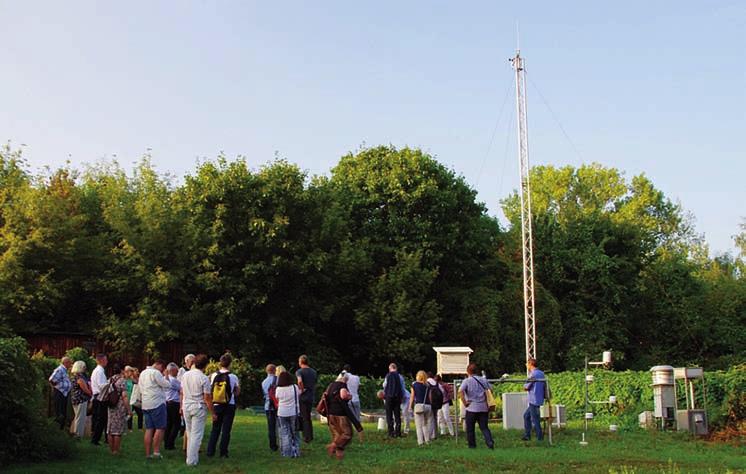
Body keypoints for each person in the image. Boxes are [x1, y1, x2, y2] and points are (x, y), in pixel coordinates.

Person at [180, 354, 215, 466]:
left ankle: (190, 457)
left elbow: (182, 391)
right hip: (198, 407)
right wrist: (213, 412)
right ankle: (191, 460)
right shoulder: (203, 378)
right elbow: (207, 398)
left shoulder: (185, 375)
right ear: (205, 365)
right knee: (196, 435)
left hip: (186, 405)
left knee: (190, 432)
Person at [207, 353, 240, 458]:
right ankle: (223, 452)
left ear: (220, 363)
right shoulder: (233, 376)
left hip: (216, 404)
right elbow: (237, 392)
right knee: (226, 430)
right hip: (229, 404)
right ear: (230, 364)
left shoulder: (213, 375)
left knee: (215, 429)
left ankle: (210, 451)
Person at [139, 359, 171, 459]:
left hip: (146, 403)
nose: (162, 370)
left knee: (149, 429)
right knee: (160, 428)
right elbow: (167, 385)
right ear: (159, 365)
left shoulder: (143, 373)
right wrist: (166, 376)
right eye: (162, 368)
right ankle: (156, 451)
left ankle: (148, 453)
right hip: (157, 403)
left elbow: (140, 388)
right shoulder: (156, 373)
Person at [458, 363, 494, 449]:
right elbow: (491, 390)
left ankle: (472, 446)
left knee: (470, 429)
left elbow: (461, 391)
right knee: (484, 427)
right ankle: (489, 441)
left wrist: (465, 402)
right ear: (477, 371)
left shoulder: (466, 381)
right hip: (483, 408)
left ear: (467, 372)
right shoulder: (483, 380)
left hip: (471, 408)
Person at [324, 374, 354, 460]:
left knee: (337, 434)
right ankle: (333, 446)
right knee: (347, 434)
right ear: (345, 380)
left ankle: (339, 455)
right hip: (340, 414)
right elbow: (343, 395)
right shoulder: (342, 385)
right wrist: (349, 396)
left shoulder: (331, 385)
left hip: (330, 413)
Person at [106, 363, 131, 454]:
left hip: (110, 405)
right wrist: (128, 409)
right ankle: (116, 450)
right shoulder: (122, 381)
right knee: (117, 430)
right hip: (119, 406)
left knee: (110, 428)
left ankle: (111, 449)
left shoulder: (109, 380)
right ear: (121, 370)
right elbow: (124, 396)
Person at [275, 370, 301, 457]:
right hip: (294, 412)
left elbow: (277, 398)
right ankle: (296, 452)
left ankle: (286, 453)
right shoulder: (295, 387)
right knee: (295, 433)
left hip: (282, 413)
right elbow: (299, 394)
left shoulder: (278, 389)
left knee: (285, 433)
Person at [522, 358, 546, 442]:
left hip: (533, 399)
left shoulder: (532, 374)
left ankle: (540, 437)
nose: (526, 365)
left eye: (527, 364)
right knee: (526, 416)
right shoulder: (541, 373)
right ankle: (527, 435)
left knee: (535, 419)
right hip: (539, 398)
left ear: (530, 364)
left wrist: (524, 386)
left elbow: (526, 386)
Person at [295, 354, 317, 443]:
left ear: (300, 362)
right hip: (311, 396)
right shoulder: (313, 372)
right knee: (308, 416)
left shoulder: (299, 371)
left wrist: (301, 389)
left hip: (303, 396)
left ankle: (307, 437)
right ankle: (310, 435)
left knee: (304, 417)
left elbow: (299, 381)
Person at [409, 370, 434, 445]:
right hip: (428, 406)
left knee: (419, 425)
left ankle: (420, 442)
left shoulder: (414, 385)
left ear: (418, 376)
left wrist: (410, 406)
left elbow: (412, 396)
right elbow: (430, 397)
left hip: (419, 406)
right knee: (425, 424)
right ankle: (427, 440)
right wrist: (431, 405)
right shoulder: (428, 385)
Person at [48, 356, 73, 430]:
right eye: (70, 363)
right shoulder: (59, 369)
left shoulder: (64, 370)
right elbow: (51, 379)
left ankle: (61, 429)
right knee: (59, 411)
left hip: (63, 393)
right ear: (66, 363)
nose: (71, 364)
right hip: (59, 393)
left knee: (63, 411)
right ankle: (58, 429)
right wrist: (57, 387)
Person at [70, 360, 92, 439]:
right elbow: (84, 389)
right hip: (81, 399)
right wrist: (90, 393)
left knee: (77, 416)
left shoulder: (74, 376)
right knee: (80, 417)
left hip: (75, 399)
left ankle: (76, 433)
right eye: (84, 367)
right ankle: (78, 434)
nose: (85, 368)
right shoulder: (80, 377)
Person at [90, 353, 109, 445]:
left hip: (97, 396)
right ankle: (96, 439)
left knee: (101, 419)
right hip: (100, 397)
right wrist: (109, 383)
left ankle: (101, 438)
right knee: (101, 419)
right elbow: (101, 386)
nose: (107, 362)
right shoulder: (100, 371)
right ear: (101, 360)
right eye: (105, 360)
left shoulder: (97, 371)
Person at [382, 363, 404, 438]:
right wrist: (402, 397)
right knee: (397, 415)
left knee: (389, 415)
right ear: (396, 368)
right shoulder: (400, 376)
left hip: (389, 397)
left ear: (390, 368)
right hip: (397, 397)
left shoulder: (388, 375)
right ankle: (398, 432)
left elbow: (384, 385)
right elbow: (402, 388)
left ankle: (390, 432)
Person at [164, 363, 182, 450]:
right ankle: (170, 443)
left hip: (167, 403)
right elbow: (181, 389)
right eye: (176, 370)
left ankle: (166, 441)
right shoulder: (173, 380)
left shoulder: (165, 379)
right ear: (172, 370)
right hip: (174, 403)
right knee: (176, 424)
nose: (178, 371)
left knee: (169, 423)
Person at [261, 364, 278, 452]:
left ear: (267, 371)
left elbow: (265, 394)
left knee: (271, 427)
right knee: (281, 426)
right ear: (275, 370)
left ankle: (273, 445)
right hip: (278, 406)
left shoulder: (263, 382)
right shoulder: (278, 380)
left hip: (268, 406)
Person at [426, 371, 444, 440]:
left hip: (429, 403)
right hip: (436, 403)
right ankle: (435, 434)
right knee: (435, 417)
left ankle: (430, 435)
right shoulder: (436, 383)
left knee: (429, 419)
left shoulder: (426, 382)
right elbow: (442, 391)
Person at [127, 367, 143, 431]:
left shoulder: (138, 379)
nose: (137, 372)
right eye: (136, 371)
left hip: (137, 399)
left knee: (140, 413)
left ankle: (140, 428)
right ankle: (129, 428)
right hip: (131, 399)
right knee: (130, 414)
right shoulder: (130, 380)